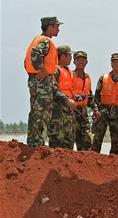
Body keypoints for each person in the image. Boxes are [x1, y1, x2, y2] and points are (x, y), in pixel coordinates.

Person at [25, 16, 75, 147]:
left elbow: (27, 62)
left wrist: (34, 72)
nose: (58, 29)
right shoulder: (45, 41)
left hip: (35, 79)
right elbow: (35, 54)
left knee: (36, 111)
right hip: (42, 81)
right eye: (57, 26)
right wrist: (42, 70)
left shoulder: (37, 40)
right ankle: (37, 142)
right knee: (42, 112)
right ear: (50, 27)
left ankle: (33, 140)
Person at [91, 53, 118, 155]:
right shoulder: (103, 78)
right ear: (111, 63)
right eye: (114, 61)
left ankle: (113, 163)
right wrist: (96, 110)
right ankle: (92, 159)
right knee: (97, 138)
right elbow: (96, 96)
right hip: (102, 112)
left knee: (116, 141)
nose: (116, 63)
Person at [48, 45, 76, 149]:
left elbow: (68, 89)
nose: (71, 58)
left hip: (67, 109)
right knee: (57, 138)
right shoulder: (55, 70)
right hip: (57, 109)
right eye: (69, 55)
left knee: (68, 139)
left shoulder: (68, 71)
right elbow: (53, 89)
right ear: (63, 56)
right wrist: (67, 100)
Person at [71, 50, 93, 151]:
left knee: (86, 142)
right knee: (70, 140)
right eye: (78, 59)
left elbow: (90, 95)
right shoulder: (69, 76)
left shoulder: (88, 77)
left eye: (83, 59)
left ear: (87, 62)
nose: (81, 62)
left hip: (83, 113)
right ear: (74, 61)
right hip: (71, 112)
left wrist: (95, 109)